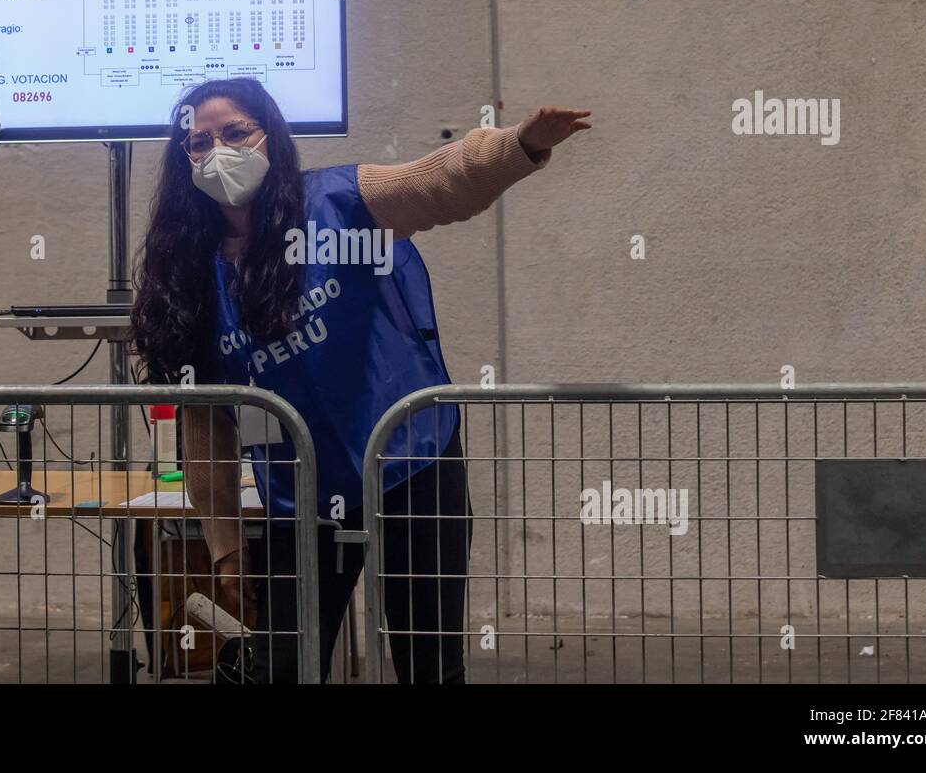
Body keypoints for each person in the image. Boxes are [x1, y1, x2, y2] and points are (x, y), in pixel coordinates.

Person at [128, 77, 591, 682]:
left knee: (428, 662)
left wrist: (518, 145)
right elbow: (207, 427)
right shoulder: (188, 272)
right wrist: (225, 545)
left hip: (411, 464)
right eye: (199, 141)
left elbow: (437, 183)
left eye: (236, 132)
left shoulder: (340, 203)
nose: (218, 150)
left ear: (271, 136)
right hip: (303, 498)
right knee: (282, 667)